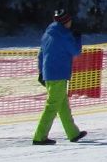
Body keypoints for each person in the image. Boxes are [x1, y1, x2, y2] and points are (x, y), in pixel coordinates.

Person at [34, 8, 88, 144]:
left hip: (48, 73)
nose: (71, 23)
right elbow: (76, 51)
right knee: (52, 105)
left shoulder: (47, 34)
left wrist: (41, 72)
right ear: (65, 22)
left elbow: (41, 54)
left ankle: (73, 133)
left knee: (62, 105)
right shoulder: (65, 35)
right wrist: (77, 38)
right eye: (69, 20)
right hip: (59, 74)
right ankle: (39, 137)